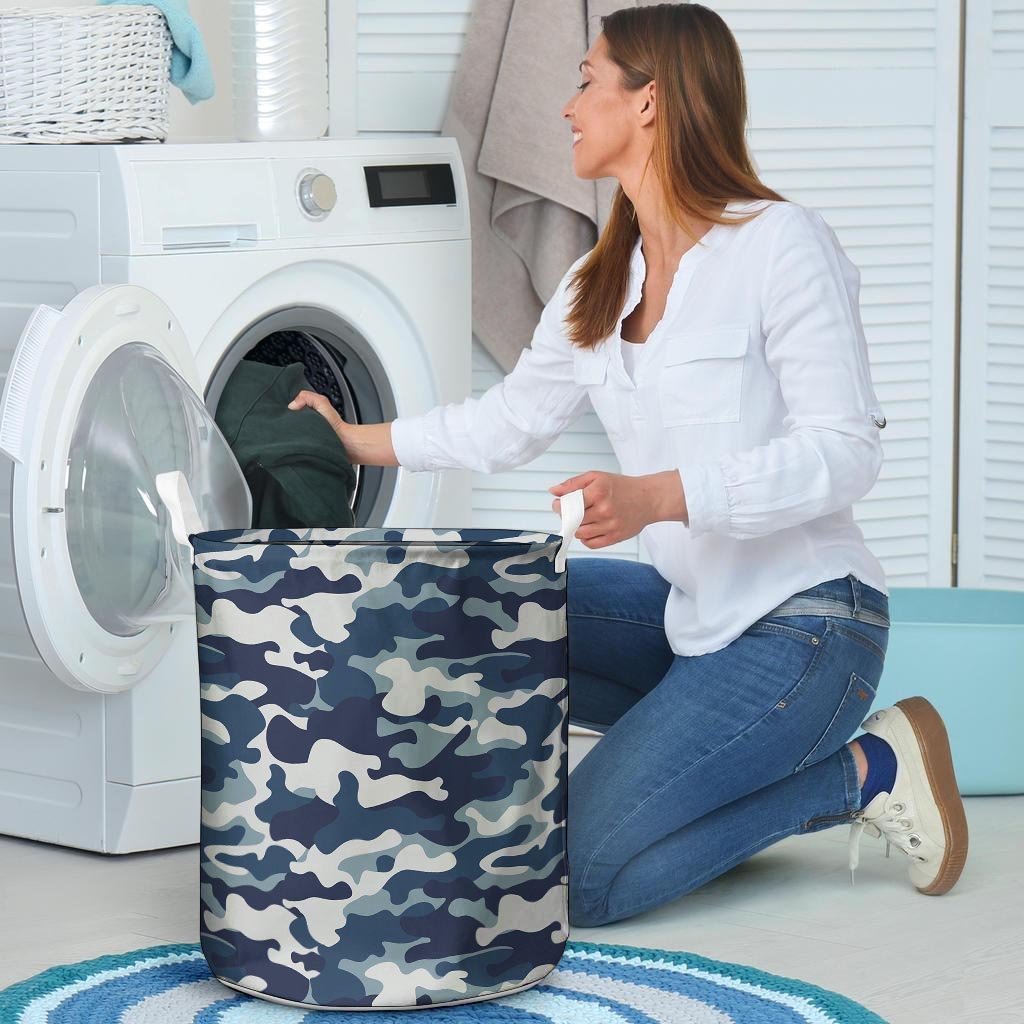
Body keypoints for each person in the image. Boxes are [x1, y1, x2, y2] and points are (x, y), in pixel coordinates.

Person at [287, 2, 969, 928]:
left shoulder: (778, 244)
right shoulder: (597, 281)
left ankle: (864, 773)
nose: (566, 107)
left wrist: (661, 498)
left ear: (649, 102)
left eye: (585, 81)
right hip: (694, 619)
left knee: (580, 881)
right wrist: (361, 437)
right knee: (477, 611)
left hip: (809, 627)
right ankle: (505, 821)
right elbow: (509, 423)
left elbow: (846, 454)